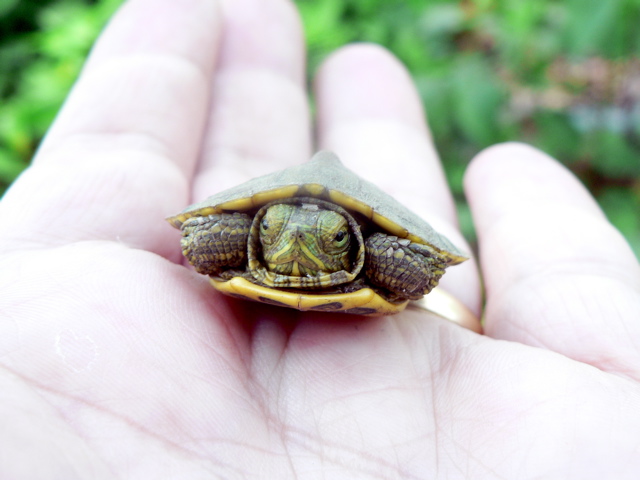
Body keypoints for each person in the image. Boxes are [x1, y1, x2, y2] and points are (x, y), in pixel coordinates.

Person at [1, 0, 639, 478]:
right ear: (258, 235)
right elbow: (204, 236)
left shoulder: (380, 254)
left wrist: (411, 281)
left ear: (356, 242)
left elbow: (419, 259)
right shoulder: (239, 240)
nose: (296, 242)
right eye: (273, 231)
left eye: (332, 238)